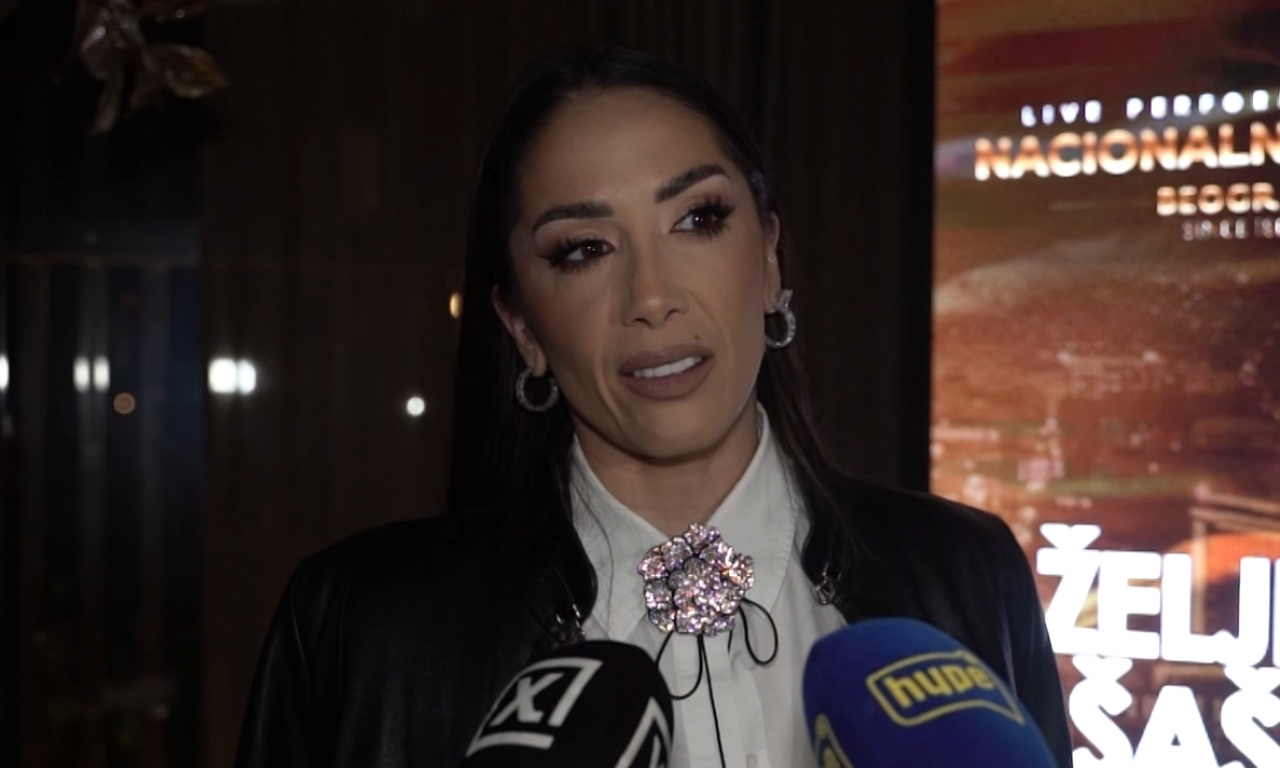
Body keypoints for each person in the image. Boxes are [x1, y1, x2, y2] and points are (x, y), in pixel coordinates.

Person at [235, 46, 1072, 768]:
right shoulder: (361, 629)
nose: (651, 296)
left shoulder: (968, 573)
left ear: (770, 260)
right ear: (522, 327)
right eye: (583, 249)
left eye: (698, 218)